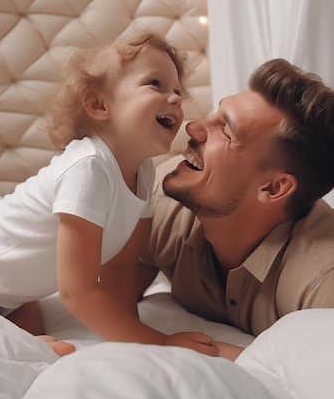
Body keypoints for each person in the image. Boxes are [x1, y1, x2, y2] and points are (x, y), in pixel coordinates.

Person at [0, 32, 222, 357]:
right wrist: (159, 343)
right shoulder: (89, 166)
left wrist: (132, 336)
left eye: (177, 90)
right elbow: (77, 291)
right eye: (156, 84)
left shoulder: (144, 171)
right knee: (15, 347)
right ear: (99, 105)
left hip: (11, 295)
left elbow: (120, 269)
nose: (177, 99)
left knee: (34, 338)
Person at [136, 57, 334, 359]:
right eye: (215, 115)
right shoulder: (163, 200)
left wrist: (224, 354)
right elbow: (99, 292)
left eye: (226, 132)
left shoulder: (322, 282)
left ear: (273, 188)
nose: (193, 127)